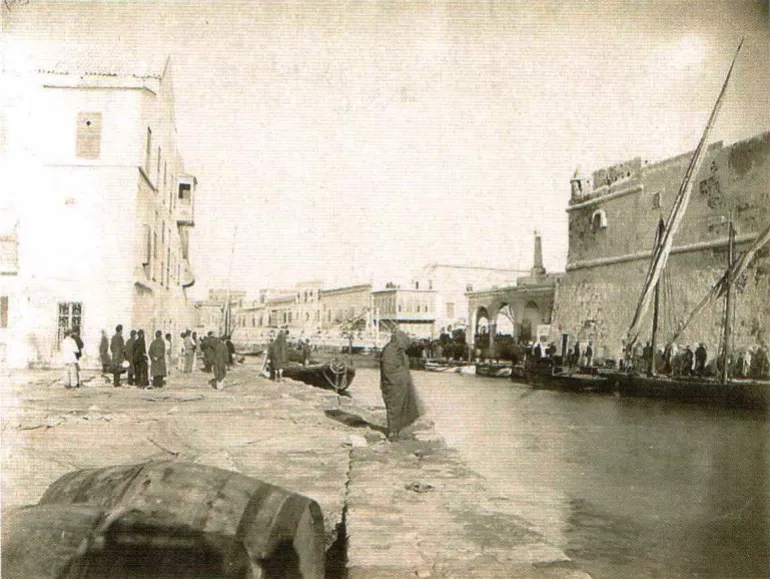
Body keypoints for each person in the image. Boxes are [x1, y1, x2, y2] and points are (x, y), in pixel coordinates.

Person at [380, 329, 424, 441]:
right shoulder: (389, 351)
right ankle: (392, 432)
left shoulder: (400, 352)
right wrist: (402, 376)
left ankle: (398, 430)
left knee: (403, 408)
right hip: (393, 386)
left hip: (401, 385)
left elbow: (403, 366)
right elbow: (388, 371)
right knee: (394, 408)